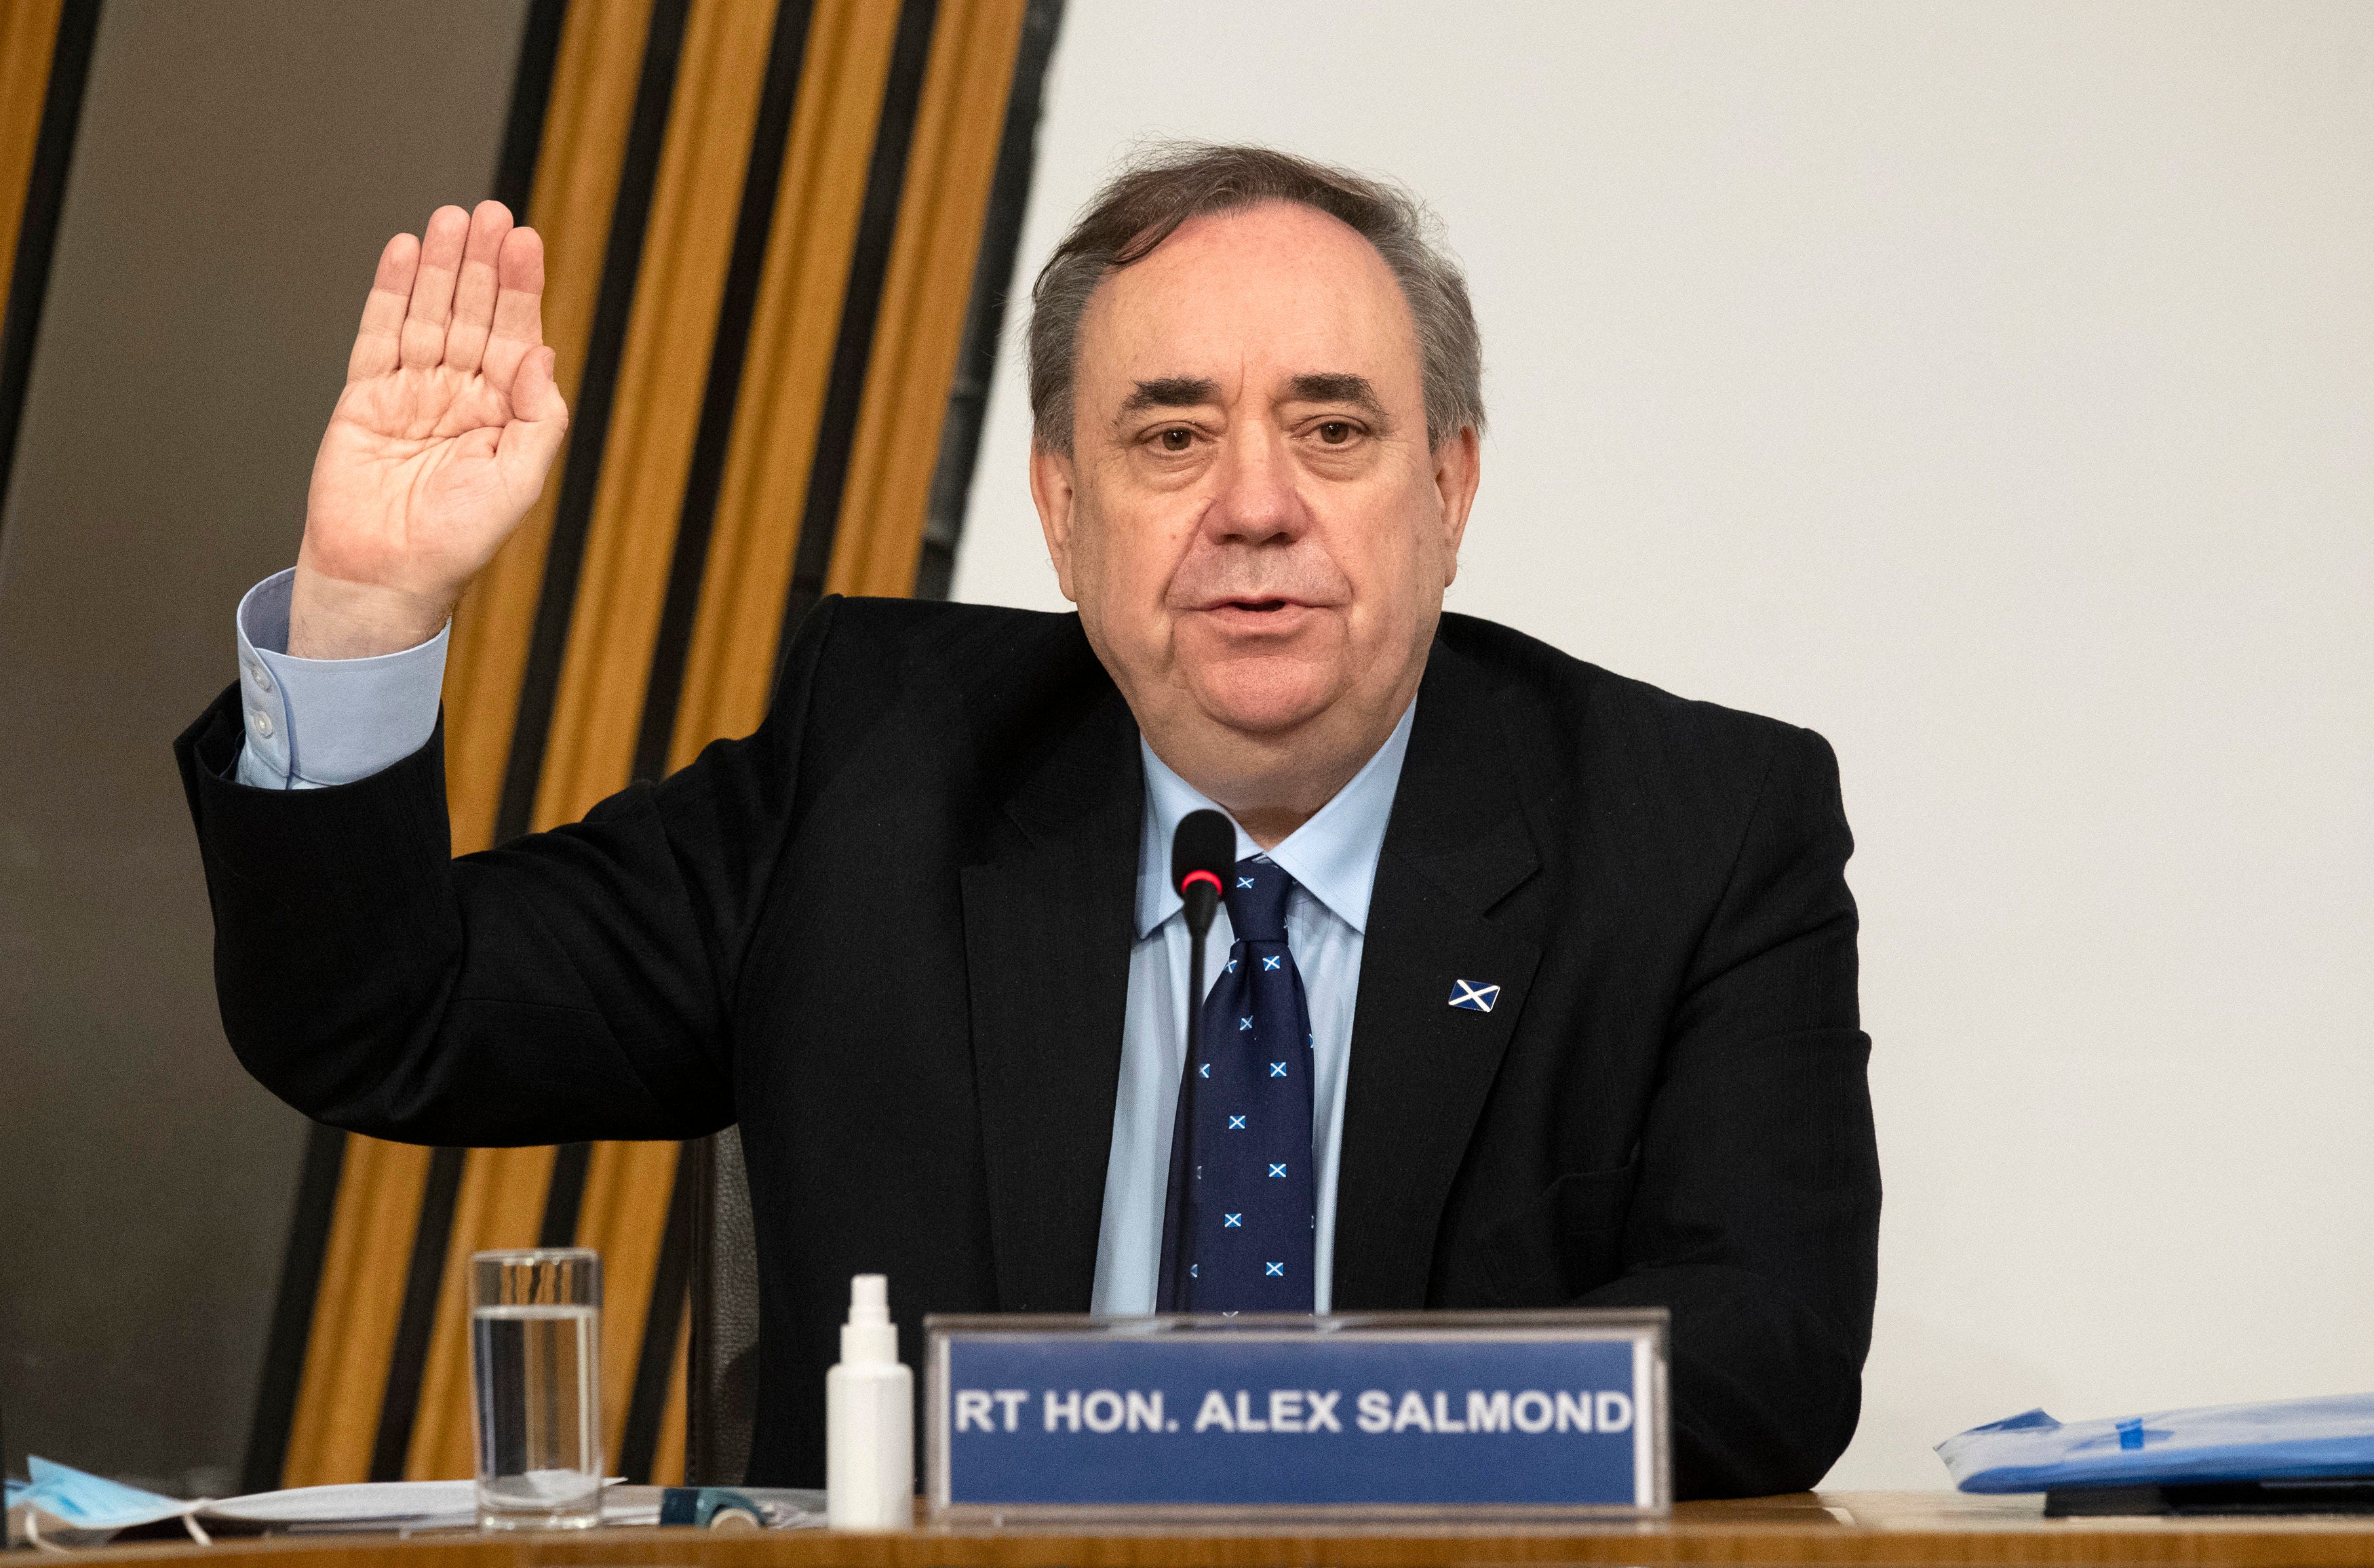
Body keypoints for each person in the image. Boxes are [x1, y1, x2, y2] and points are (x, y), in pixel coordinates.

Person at [176, 144, 1878, 1497]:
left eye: (1333, 429)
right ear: (1063, 515)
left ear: (1449, 491)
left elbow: (1764, 1358)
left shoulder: (1698, 829)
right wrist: (364, 610)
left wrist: (1240, 1443)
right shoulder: (880, 775)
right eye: (1171, 434)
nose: (1257, 508)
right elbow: (382, 1021)